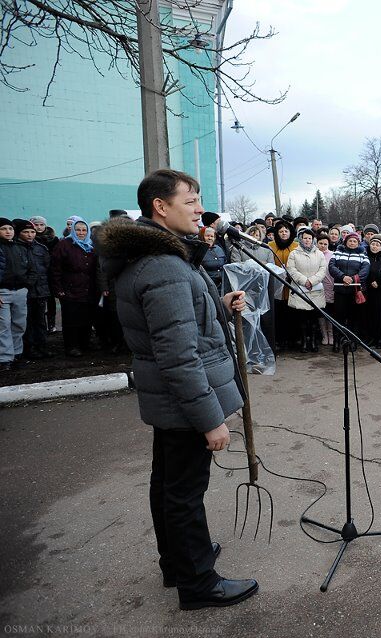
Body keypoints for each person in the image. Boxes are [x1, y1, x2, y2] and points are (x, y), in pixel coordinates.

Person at [98, 168, 257, 610]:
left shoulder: (159, 259)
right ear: (160, 207)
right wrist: (210, 420)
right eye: (190, 200)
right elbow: (178, 356)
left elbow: (180, 326)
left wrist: (220, 307)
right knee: (185, 493)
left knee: (168, 484)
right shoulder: (164, 266)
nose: (199, 209)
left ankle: (180, 562)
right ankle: (198, 584)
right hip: (184, 401)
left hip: (169, 400)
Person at [50, 216, 99, 357]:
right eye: (78, 230)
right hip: (70, 289)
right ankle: (72, 346)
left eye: (84, 230)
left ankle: (85, 343)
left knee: (87, 318)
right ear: (72, 230)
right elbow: (55, 269)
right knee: (71, 320)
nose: (81, 233)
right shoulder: (64, 245)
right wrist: (58, 289)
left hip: (89, 289)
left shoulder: (91, 246)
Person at [15, 219, 51, 359]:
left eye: (32, 232)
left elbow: (46, 268)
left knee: (41, 321)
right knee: (27, 322)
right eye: (26, 232)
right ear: (19, 233)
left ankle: (42, 346)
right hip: (25, 291)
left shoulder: (40, 248)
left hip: (41, 291)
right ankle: (29, 349)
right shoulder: (17, 248)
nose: (30, 235)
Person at [327, 231, 369, 351]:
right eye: (350, 241)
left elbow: (365, 269)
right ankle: (337, 341)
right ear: (345, 242)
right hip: (340, 289)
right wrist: (342, 276)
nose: (352, 243)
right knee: (338, 317)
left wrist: (352, 279)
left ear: (358, 243)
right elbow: (332, 267)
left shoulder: (363, 254)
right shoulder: (338, 252)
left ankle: (352, 341)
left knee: (353, 317)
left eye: (354, 241)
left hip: (354, 290)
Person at [286, 228, 327, 352]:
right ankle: (304, 341)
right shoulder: (294, 253)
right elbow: (291, 270)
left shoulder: (319, 253)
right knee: (302, 319)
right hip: (300, 289)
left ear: (313, 239)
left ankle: (313, 341)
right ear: (300, 239)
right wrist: (305, 281)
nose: (307, 240)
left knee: (314, 318)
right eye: (305, 238)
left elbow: (323, 269)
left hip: (315, 290)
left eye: (309, 238)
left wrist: (312, 281)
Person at [1, 217, 31, 371]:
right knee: (3, 325)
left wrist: (26, 286)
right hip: (2, 292)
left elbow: (30, 268)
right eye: (4, 229)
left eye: (10, 229)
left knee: (19, 324)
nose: (8, 232)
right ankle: (5, 358)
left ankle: (16, 353)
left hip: (20, 291)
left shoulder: (19, 248)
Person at [267, 220, 298, 350]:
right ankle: (278, 341)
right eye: (281, 231)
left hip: (292, 285)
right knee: (278, 314)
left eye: (286, 231)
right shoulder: (270, 246)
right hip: (276, 284)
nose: (284, 234)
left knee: (292, 313)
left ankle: (292, 340)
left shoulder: (296, 246)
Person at [30, 215, 59, 332]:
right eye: (36, 225)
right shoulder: (30, 238)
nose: (39, 227)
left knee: (51, 299)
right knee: (38, 301)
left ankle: (51, 324)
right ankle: (39, 324)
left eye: (41, 224)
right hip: (36, 273)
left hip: (50, 273)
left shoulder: (53, 239)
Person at [364, 234, 381, 348]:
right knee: (369, 315)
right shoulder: (365, 256)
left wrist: (380, 282)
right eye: (372, 244)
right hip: (368, 291)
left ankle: (380, 338)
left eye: (377, 245)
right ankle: (371, 337)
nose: (374, 247)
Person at [317, 233, 336, 346]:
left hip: (330, 286)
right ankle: (324, 334)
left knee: (331, 312)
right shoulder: (314, 254)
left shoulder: (332, 255)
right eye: (321, 243)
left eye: (325, 244)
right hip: (317, 287)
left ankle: (331, 334)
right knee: (320, 312)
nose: (323, 246)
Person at [200, 226, 226, 292]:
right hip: (207, 286)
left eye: (212, 236)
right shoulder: (199, 249)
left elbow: (225, 262)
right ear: (202, 236)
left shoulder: (218, 249)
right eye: (207, 236)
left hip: (221, 286)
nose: (210, 238)